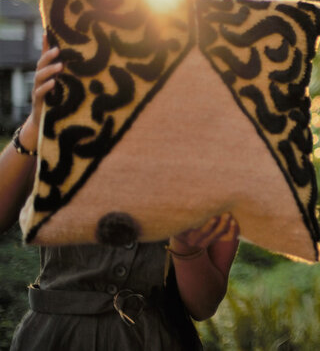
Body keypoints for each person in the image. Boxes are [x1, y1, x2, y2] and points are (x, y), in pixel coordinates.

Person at [0, 36, 240, 350]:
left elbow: (203, 306)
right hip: (52, 339)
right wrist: (36, 123)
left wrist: (185, 244)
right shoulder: (68, 129)